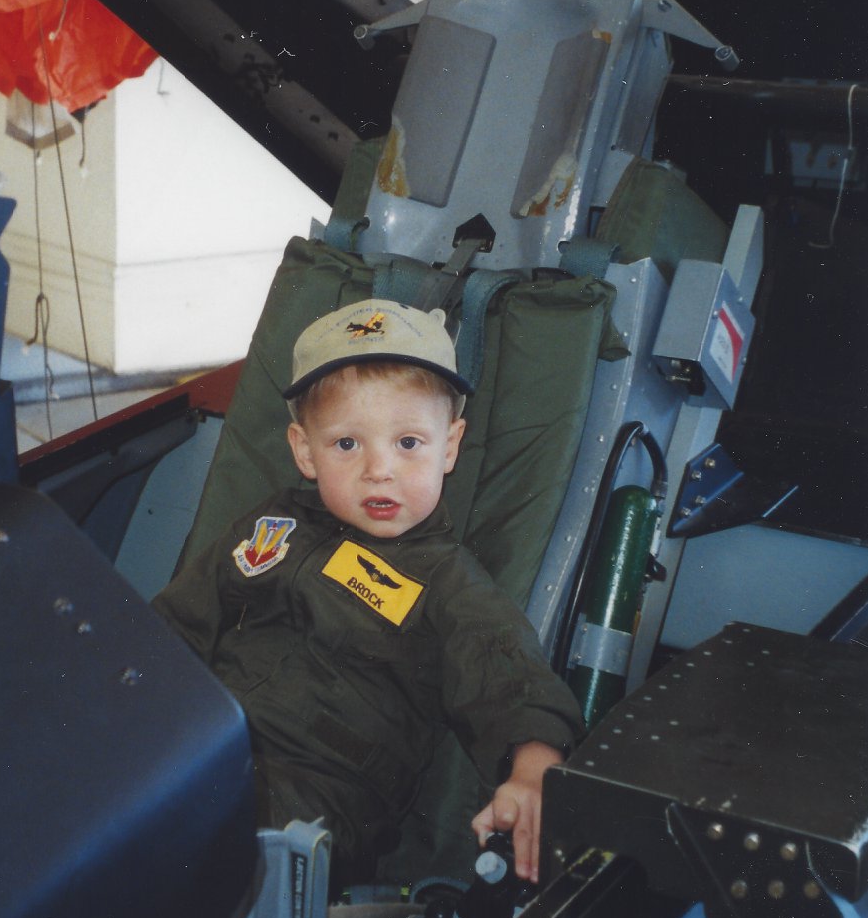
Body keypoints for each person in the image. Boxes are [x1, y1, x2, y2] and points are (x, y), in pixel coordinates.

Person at [154, 298, 583, 887]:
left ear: (450, 447)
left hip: (316, 797)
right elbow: (178, 622)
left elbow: (508, 675)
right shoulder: (275, 523)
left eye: (408, 443)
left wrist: (534, 769)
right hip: (202, 739)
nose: (379, 469)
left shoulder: (447, 583)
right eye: (347, 445)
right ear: (305, 451)